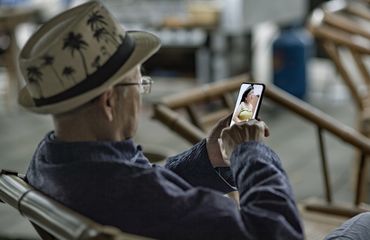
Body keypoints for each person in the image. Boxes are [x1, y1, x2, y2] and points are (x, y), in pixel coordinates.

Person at [17, 1, 306, 239]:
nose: (141, 94)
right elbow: (277, 233)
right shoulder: (134, 195)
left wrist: (207, 158)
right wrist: (249, 152)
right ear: (109, 101)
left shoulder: (49, 161)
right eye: (139, 84)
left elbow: (148, 186)